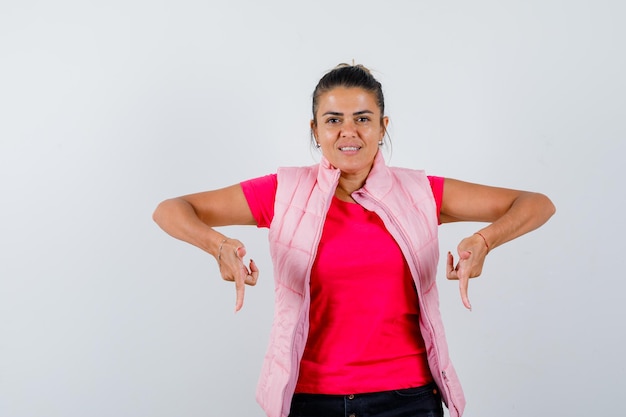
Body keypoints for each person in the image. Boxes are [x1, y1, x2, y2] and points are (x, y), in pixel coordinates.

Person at [152, 64, 555, 417]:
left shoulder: (420, 192)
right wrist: (218, 245)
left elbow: (535, 203)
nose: (349, 132)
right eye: (333, 120)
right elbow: (171, 209)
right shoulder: (283, 192)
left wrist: (485, 240)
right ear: (315, 129)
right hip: (310, 399)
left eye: (363, 118)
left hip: (408, 399)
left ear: (383, 127)